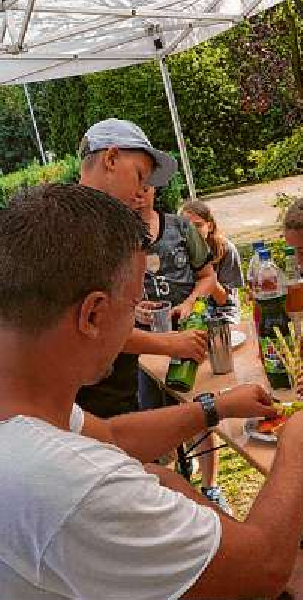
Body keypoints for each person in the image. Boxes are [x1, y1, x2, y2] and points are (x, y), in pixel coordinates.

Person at [0, 182, 303, 600]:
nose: (136, 322)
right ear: (92, 313)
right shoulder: (65, 482)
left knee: (157, 474)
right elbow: (264, 570)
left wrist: (212, 408)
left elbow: (113, 439)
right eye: (133, 306)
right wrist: (296, 447)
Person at [76, 119, 210, 417]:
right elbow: (93, 328)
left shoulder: (101, 225)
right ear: (111, 158)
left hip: (117, 395)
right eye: (139, 176)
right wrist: (170, 343)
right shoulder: (78, 229)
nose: (141, 192)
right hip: (90, 407)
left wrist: (129, 309)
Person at [133, 185, 231, 511]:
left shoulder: (181, 227)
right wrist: (134, 310)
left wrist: (191, 302)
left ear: (153, 188)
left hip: (191, 334)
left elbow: (208, 276)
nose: (137, 193)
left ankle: (210, 488)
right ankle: (174, 498)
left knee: (202, 412)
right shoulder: (116, 238)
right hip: (146, 345)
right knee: (157, 420)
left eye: (144, 184)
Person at [181, 199, 244, 324]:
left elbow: (223, 300)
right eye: (187, 226)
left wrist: (207, 276)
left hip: (223, 310)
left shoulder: (225, 250)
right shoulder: (178, 252)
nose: (193, 231)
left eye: (198, 225)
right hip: (192, 310)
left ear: (209, 226)